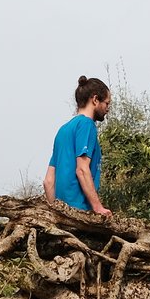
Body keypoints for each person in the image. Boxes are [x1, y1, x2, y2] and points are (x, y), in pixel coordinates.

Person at [44, 76, 111, 216]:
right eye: (106, 103)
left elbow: (48, 181)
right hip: (80, 213)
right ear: (95, 100)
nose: (107, 109)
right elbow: (81, 169)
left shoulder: (63, 130)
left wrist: (57, 214)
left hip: (62, 215)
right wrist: (98, 208)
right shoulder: (87, 125)